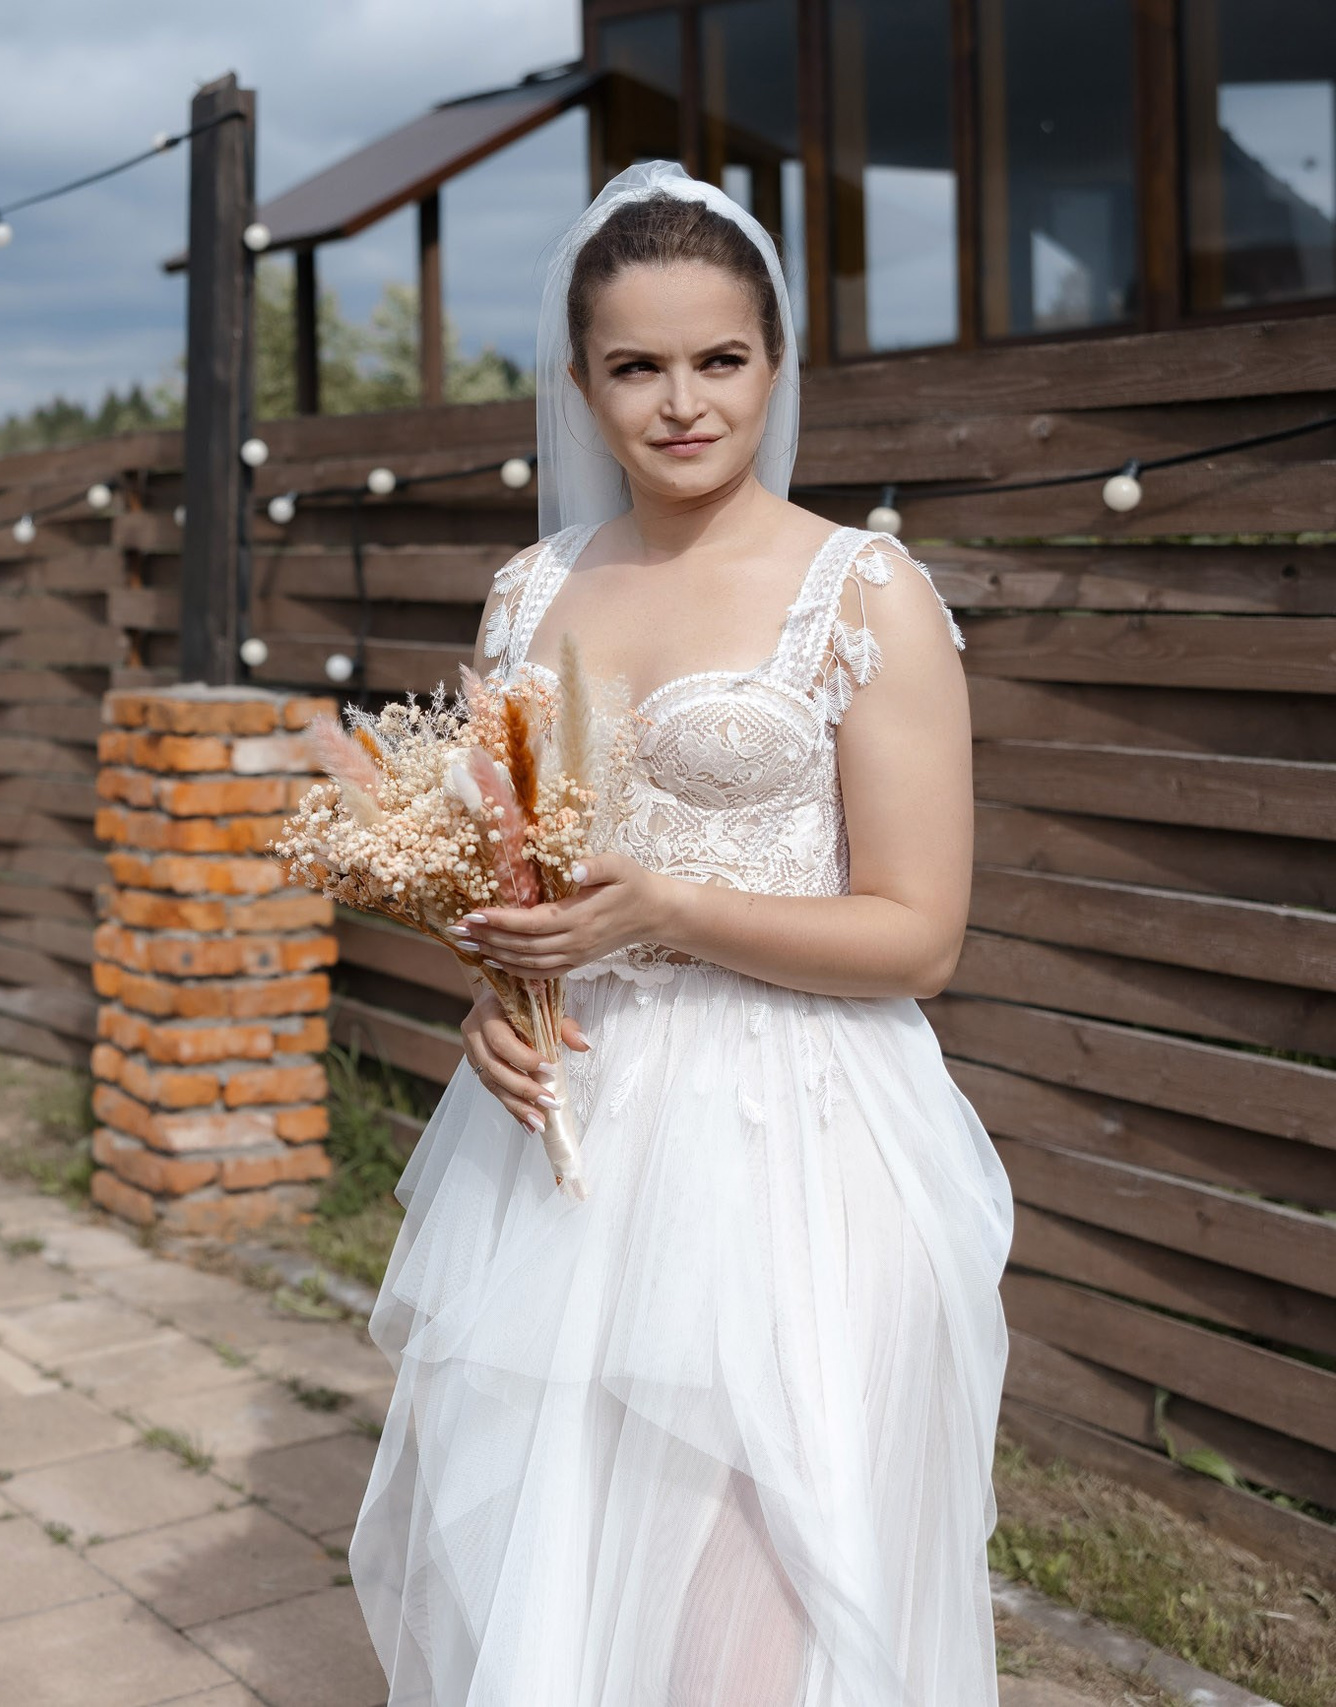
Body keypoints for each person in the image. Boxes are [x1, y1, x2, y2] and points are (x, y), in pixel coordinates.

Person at [349, 165, 1013, 1704]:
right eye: (637, 366)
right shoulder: (530, 595)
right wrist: (498, 997)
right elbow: (518, 872)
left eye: (719, 359)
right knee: (571, 1565)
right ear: (581, 385)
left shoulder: (867, 591)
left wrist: (669, 908)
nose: (681, 402)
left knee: (761, 1599)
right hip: (578, 1138)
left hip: (805, 1136)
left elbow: (921, 937)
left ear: (775, 364)